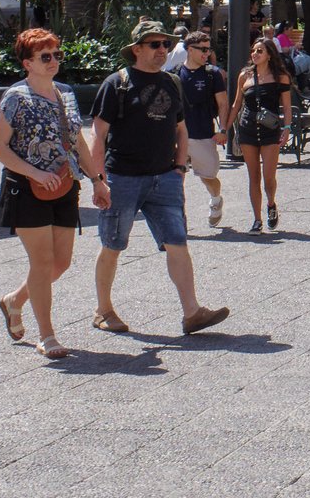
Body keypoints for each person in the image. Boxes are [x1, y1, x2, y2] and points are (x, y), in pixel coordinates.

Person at [86, 21, 229, 338]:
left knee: (177, 242)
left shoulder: (171, 83)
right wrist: (98, 180)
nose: (163, 50)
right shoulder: (116, 83)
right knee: (113, 244)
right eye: (155, 45)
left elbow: (181, 128)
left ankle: (192, 313)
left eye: (165, 44)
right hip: (123, 177)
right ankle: (103, 309)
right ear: (137, 49)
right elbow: (98, 134)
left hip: (164, 178)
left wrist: (179, 168)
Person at [0, 28, 92, 358]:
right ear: (27, 63)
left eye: (56, 55)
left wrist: (98, 179)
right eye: (44, 57)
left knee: (60, 263)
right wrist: (35, 172)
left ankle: (13, 301)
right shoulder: (16, 98)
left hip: (64, 185)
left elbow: (78, 141)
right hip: (26, 188)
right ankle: (46, 335)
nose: (53, 61)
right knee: (42, 261)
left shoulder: (66, 93)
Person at [232, 35, 294, 232]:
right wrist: (225, 128)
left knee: (268, 177)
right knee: (253, 176)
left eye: (260, 51)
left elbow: (286, 106)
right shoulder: (244, 76)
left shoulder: (280, 77)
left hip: (270, 131)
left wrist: (286, 128)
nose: (255, 54)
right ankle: (257, 219)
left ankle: (271, 204)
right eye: (254, 50)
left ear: (269, 55)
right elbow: (236, 104)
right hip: (247, 128)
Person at [175, 31, 232, 228]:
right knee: (175, 180)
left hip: (204, 133)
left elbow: (223, 104)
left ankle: (216, 199)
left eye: (209, 49)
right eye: (203, 49)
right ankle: (179, 219)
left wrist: (223, 130)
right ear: (190, 49)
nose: (207, 53)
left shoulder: (212, 74)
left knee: (208, 177)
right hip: (179, 136)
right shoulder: (175, 74)